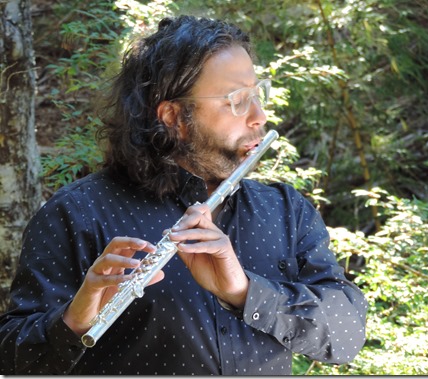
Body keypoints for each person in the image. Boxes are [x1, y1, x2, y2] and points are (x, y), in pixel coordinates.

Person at [0, 15, 367, 375]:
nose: (259, 116)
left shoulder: (287, 210)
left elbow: (347, 334)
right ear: (173, 116)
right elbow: (13, 361)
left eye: (258, 95)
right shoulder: (78, 212)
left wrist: (245, 292)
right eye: (237, 101)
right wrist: (75, 321)